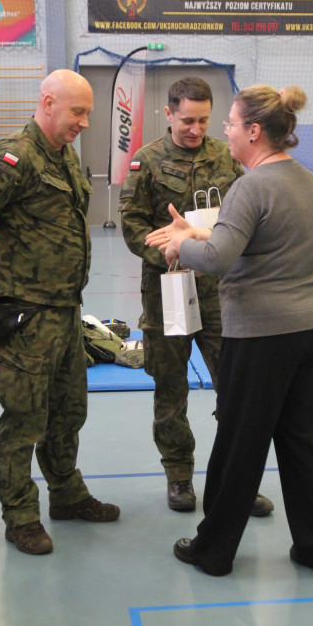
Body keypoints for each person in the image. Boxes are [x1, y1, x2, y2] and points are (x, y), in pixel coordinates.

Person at [146, 84, 313, 578]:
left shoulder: (250, 186)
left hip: (263, 335)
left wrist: (179, 246)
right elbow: (255, 237)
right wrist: (196, 231)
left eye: (230, 124)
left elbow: (217, 258)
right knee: (309, 443)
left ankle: (212, 551)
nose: (225, 133)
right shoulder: (304, 180)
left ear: (253, 132)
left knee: (240, 443)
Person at [0, 69, 120, 556]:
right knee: (25, 417)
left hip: (65, 311)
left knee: (69, 412)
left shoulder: (62, 156)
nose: (84, 122)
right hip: (28, 315)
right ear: (48, 103)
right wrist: (0, 262)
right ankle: (20, 515)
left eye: (87, 112)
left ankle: (66, 495)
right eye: (77, 112)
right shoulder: (17, 155)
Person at [120, 76, 273, 518]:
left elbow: (246, 211)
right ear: (168, 114)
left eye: (204, 120)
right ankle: (179, 477)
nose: (195, 128)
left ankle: (236, 483)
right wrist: (166, 250)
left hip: (223, 293)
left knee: (236, 389)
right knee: (170, 389)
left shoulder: (226, 155)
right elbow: (130, 223)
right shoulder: (146, 161)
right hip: (169, 287)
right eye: (187, 120)